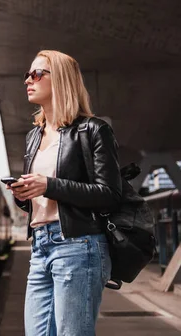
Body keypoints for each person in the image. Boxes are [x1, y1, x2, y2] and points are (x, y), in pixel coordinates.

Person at [6, 50, 121, 335]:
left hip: (78, 246)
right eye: (27, 75)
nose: (27, 81)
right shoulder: (33, 136)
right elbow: (41, 200)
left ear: (61, 81)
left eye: (36, 74)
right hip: (40, 246)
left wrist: (49, 185)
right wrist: (24, 196)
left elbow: (109, 194)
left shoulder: (93, 130)